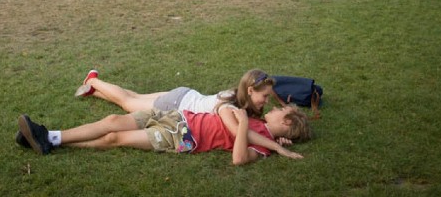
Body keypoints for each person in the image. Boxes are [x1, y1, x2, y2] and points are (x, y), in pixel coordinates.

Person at [72, 69, 311, 147]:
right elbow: (241, 134)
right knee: (127, 103)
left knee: (133, 97)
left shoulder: (239, 99)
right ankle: (93, 80)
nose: (266, 101)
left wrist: (276, 137)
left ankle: (95, 91)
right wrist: (274, 145)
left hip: (185, 96)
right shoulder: (229, 105)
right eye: (265, 96)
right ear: (250, 91)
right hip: (177, 105)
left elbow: (260, 127)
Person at [16, 103, 305, 164]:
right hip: (178, 117)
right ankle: (49, 136)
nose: (273, 107)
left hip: (182, 138)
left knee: (113, 139)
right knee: (113, 119)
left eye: (281, 109)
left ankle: (48, 141)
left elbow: (239, 158)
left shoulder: (264, 147)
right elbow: (221, 110)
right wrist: (241, 122)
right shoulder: (259, 126)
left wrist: (243, 126)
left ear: (288, 122)